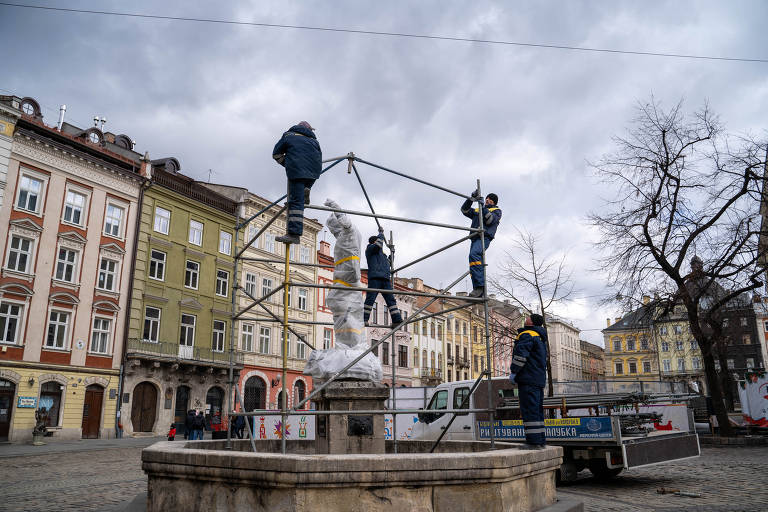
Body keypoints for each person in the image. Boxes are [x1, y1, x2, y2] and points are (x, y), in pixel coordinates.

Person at [272, 121, 322, 244]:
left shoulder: (289, 135)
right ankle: (307, 189)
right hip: (314, 172)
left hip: (297, 171)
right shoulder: (315, 141)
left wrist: (288, 164)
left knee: (295, 203)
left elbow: (276, 154)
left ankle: (294, 235)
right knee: (300, 195)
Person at [509, 313, 548, 449]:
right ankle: (540, 440)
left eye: (528, 317)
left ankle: (533, 442)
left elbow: (520, 356)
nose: (526, 318)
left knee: (529, 410)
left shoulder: (527, 335)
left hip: (528, 379)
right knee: (537, 410)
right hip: (537, 380)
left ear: (531, 322)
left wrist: (514, 371)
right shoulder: (540, 337)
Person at [461, 191, 501, 297]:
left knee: (474, 255)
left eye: (490, 199)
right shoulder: (478, 210)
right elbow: (464, 210)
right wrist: (471, 199)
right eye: (486, 198)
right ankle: (478, 289)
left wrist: (483, 206)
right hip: (474, 238)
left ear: (494, 202)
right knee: (474, 262)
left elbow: (489, 220)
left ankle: (480, 287)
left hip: (484, 237)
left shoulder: (496, 211)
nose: (487, 199)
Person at [363, 227, 403, 326]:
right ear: (374, 242)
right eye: (378, 241)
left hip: (385, 278)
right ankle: (364, 319)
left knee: (391, 300)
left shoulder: (382, 255)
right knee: (370, 299)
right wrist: (381, 233)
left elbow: (389, 263)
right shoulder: (370, 249)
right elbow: (378, 245)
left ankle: (397, 319)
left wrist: (392, 253)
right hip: (375, 277)